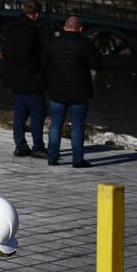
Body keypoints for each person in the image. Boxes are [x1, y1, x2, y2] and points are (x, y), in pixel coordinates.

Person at [43, 15, 100, 168]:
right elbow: (96, 63)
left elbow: (44, 63)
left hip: (57, 90)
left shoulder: (52, 43)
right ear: (80, 29)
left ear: (64, 27)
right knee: (77, 126)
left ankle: (52, 156)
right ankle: (77, 159)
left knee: (55, 124)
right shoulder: (85, 44)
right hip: (79, 91)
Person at [3, 0, 47, 159]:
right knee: (38, 113)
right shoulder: (30, 30)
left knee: (20, 115)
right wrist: (38, 72)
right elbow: (28, 55)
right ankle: (38, 147)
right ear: (36, 15)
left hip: (15, 79)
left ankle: (21, 146)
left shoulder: (13, 28)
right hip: (30, 80)